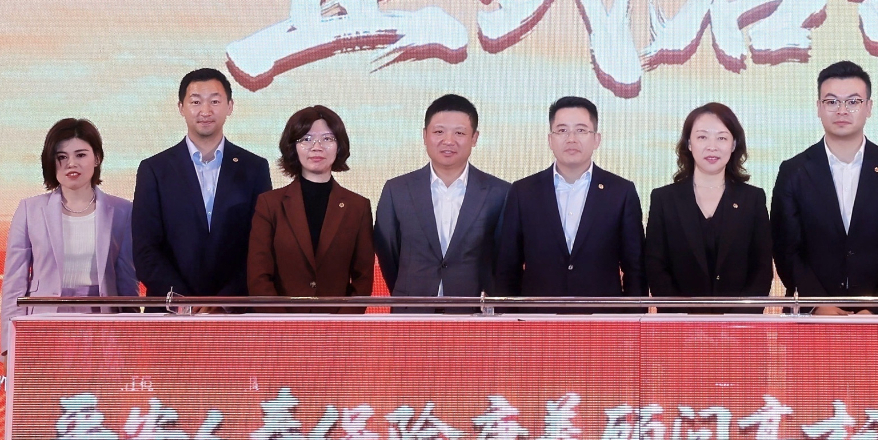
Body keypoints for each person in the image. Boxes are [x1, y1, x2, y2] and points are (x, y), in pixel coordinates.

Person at [771, 60, 878, 312]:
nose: (842, 110)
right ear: (819, 107)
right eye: (832, 102)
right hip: (812, 317)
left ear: (869, 107)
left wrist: (876, 310)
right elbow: (786, 249)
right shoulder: (793, 171)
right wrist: (818, 305)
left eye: (853, 102)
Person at [132, 68, 272, 300]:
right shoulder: (154, 169)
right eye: (196, 102)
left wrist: (224, 301)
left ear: (230, 106)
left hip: (235, 309)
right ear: (181, 108)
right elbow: (145, 250)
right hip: (170, 310)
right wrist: (184, 301)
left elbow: (261, 247)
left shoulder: (254, 168)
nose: (205, 111)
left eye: (215, 101)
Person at [0, 118, 136, 354]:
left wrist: (130, 342)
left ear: (97, 158)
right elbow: (14, 285)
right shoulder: (30, 210)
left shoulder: (123, 211)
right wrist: (8, 348)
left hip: (103, 331)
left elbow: (127, 285)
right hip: (43, 328)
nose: (71, 163)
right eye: (61, 157)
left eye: (80, 155)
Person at [494, 96, 645, 298]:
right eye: (562, 130)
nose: (571, 139)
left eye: (581, 130)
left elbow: (635, 268)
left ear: (596, 139)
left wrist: (634, 314)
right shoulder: (523, 192)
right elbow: (507, 267)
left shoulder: (621, 191)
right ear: (550, 140)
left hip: (603, 314)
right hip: (537, 314)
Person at [373, 94, 509, 300]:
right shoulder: (397, 190)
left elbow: (503, 259)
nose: (448, 141)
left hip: (473, 309)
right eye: (439, 132)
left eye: (459, 133)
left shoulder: (499, 192)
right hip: (412, 308)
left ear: (474, 138)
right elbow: (388, 253)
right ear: (425, 135)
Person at [643, 101, 774, 304]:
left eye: (721, 138)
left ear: (733, 144)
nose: (712, 146)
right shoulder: (664, 199)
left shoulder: (753, 199)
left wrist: (740, 315)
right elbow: (655, 266)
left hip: (739, 320)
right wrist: (681, 315)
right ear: (689, 143)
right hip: (678, 319)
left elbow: (762, 268)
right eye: (702, 137)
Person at [247, 105, 374, 299]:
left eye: (327, 139)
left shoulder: (358, 207)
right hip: (280, 317)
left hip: (338, 317)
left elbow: (362, 279)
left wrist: (342, 317)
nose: (317, 147)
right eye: (306, 139)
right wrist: (279, 316)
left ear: (339, 146)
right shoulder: (269, 204)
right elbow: (259, 276)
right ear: (293, 147)